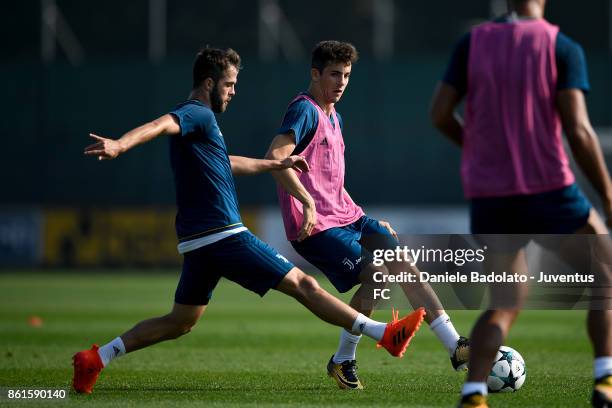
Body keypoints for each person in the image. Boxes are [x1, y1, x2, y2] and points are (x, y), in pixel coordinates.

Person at [72, 46, 425, 394]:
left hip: (197, 241)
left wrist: (275, 165)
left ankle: (97, 358)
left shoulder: (203, 127)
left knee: (180, 322)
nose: (233, 92)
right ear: (209, 83)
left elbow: (228, 163)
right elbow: (161, 123)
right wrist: (120, 144)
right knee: (304, 285)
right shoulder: (197, 113)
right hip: (224, 234)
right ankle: (383, 333)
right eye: (229, 84)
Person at [429, 1, 612, 407]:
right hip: (549, 190)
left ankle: (474, 392)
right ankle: (605, 381)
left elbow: (440, 113)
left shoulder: (472, 43)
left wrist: (478, 153)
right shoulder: (561, 46)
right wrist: (608, 193)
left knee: (505, 303)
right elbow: (579, 130)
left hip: (493, 198)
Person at [265, 40, 468, 391]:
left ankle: (455, 345)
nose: (341, 82)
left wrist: (362, 215)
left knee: (403, 262)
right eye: (334, 74)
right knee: (376, 275)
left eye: (346, 75)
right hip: (315, 229)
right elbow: (275, 157)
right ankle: (344, 359)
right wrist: (306, 202)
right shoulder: (305, 110)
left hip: (349, 217)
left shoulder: (335, 116)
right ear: (315, 74)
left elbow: (332, 182)